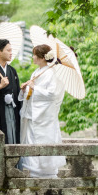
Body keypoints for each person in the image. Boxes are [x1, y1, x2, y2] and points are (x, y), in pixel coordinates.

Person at [16, 42, 66, 177]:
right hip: (32, 113)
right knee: (30, 141)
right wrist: (24, 90)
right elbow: (30, 94)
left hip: (44, 116)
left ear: (43, 57)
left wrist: (34, 88)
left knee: (44, 141)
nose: (33, 57)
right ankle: (32, 170)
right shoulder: (36, 72)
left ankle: (46, 172)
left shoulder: (51, 73)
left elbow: (52, 94)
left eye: (34, 55)